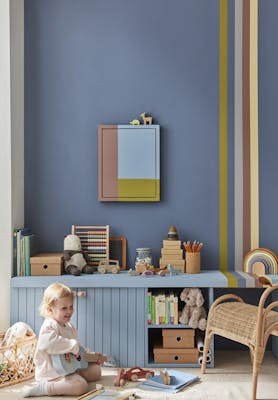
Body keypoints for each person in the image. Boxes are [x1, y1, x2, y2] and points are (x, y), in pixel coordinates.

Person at [23, 283, 103, 397]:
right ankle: (45, 388)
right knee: (81, 386)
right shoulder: (49, 325)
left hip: (67, 369)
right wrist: (72, 345)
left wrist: (92, 357)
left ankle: (76, 374)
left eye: (71, 307)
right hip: (51, 375)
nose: (69, 311)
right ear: (50, 310)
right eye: (64, 308)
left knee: (96, 371)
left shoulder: (69, 327)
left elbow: (77, 350)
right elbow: (48, 343)